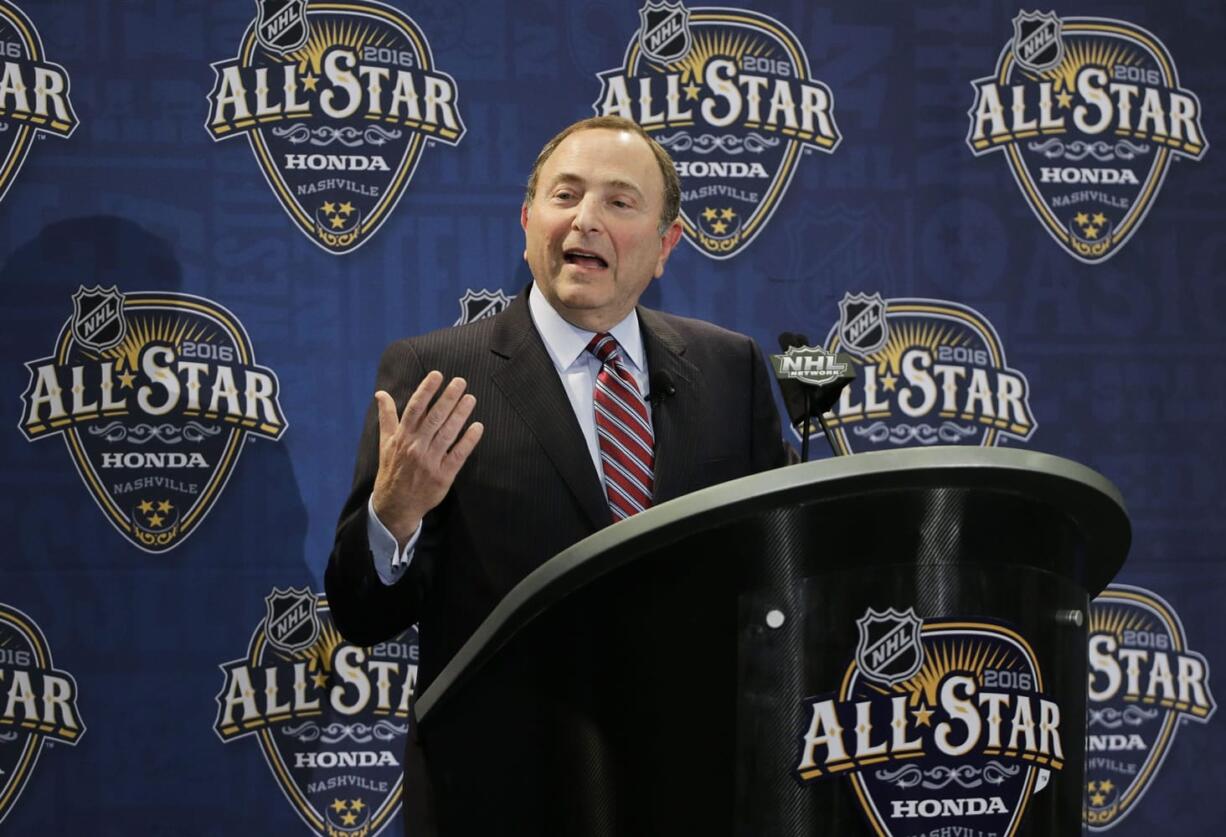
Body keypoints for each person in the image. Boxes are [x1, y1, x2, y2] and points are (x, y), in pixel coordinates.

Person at [325, 114, 787, 831]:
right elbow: (362, 613)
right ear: (528, 220)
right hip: (503, 796)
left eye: (619, 202)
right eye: (564, 195)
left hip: (692, 788)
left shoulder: (732, 371)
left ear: (667, 245)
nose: (586, 220)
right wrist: (395, 516)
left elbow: (774, 578)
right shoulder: (439, 373)